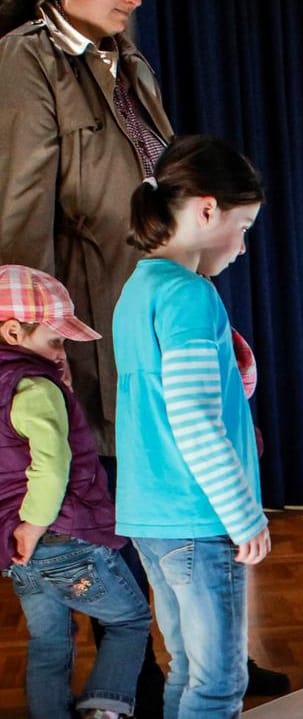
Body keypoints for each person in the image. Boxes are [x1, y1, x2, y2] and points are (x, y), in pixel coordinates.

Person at [0, 0, 288, 702]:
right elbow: (22, 215)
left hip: (149, 303)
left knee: (163, 533)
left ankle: (188, 669)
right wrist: (34, 351)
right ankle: (142, 679)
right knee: (108, 496)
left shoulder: (134, 63)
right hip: (85, 324)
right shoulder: (27, 58)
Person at [113, 135, 270, 717]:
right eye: (245, 226)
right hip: (199, 519)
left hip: (152, 517)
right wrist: (243, 513)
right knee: (220, 684)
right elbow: (195, 421)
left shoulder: (137, 289)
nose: (244, 246)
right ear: (207, 210)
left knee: (187, 669)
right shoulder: (191, 296)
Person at [0, 264, 151, 719]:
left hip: (17, 549)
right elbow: (51, 466)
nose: (62, 351)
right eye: (55, 340)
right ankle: (104, 710)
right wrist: (36, 523)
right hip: (63, 536)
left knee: (48, 642)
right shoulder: (35, 387)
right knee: (129, 620)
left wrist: (20, 530)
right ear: (12, 331)